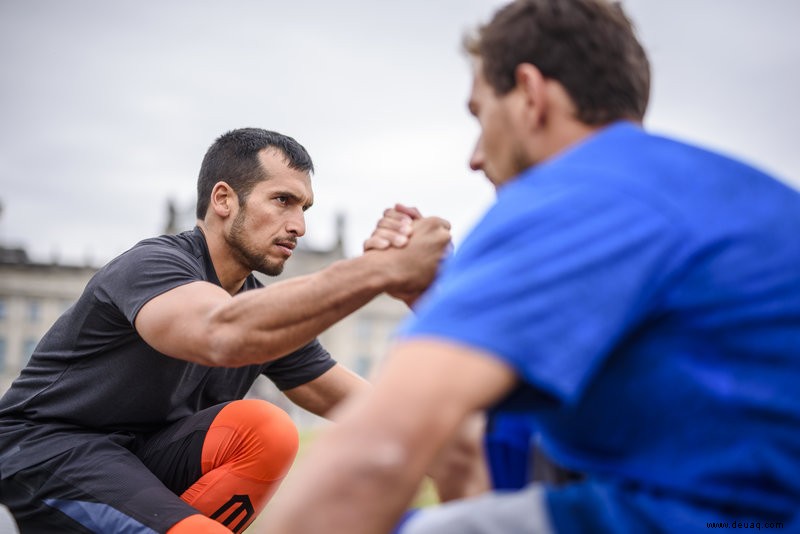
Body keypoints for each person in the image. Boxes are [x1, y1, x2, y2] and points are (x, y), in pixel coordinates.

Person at [262, 1, 800, 532]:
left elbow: (374, 455)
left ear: (530, 94)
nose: (475, 155)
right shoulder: (741, 196)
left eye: (480, 113)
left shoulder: (572, 197)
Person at [0, 127, 452, 533]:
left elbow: (353, 400)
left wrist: (450, 449)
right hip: (46, 455)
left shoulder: (255, 307)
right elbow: (219, 331)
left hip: (139, 461)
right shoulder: (154, 265)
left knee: (266, 429)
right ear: (223, 199)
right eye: (282, 201)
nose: (298, 225)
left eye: (304, 207)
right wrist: (377, 271)